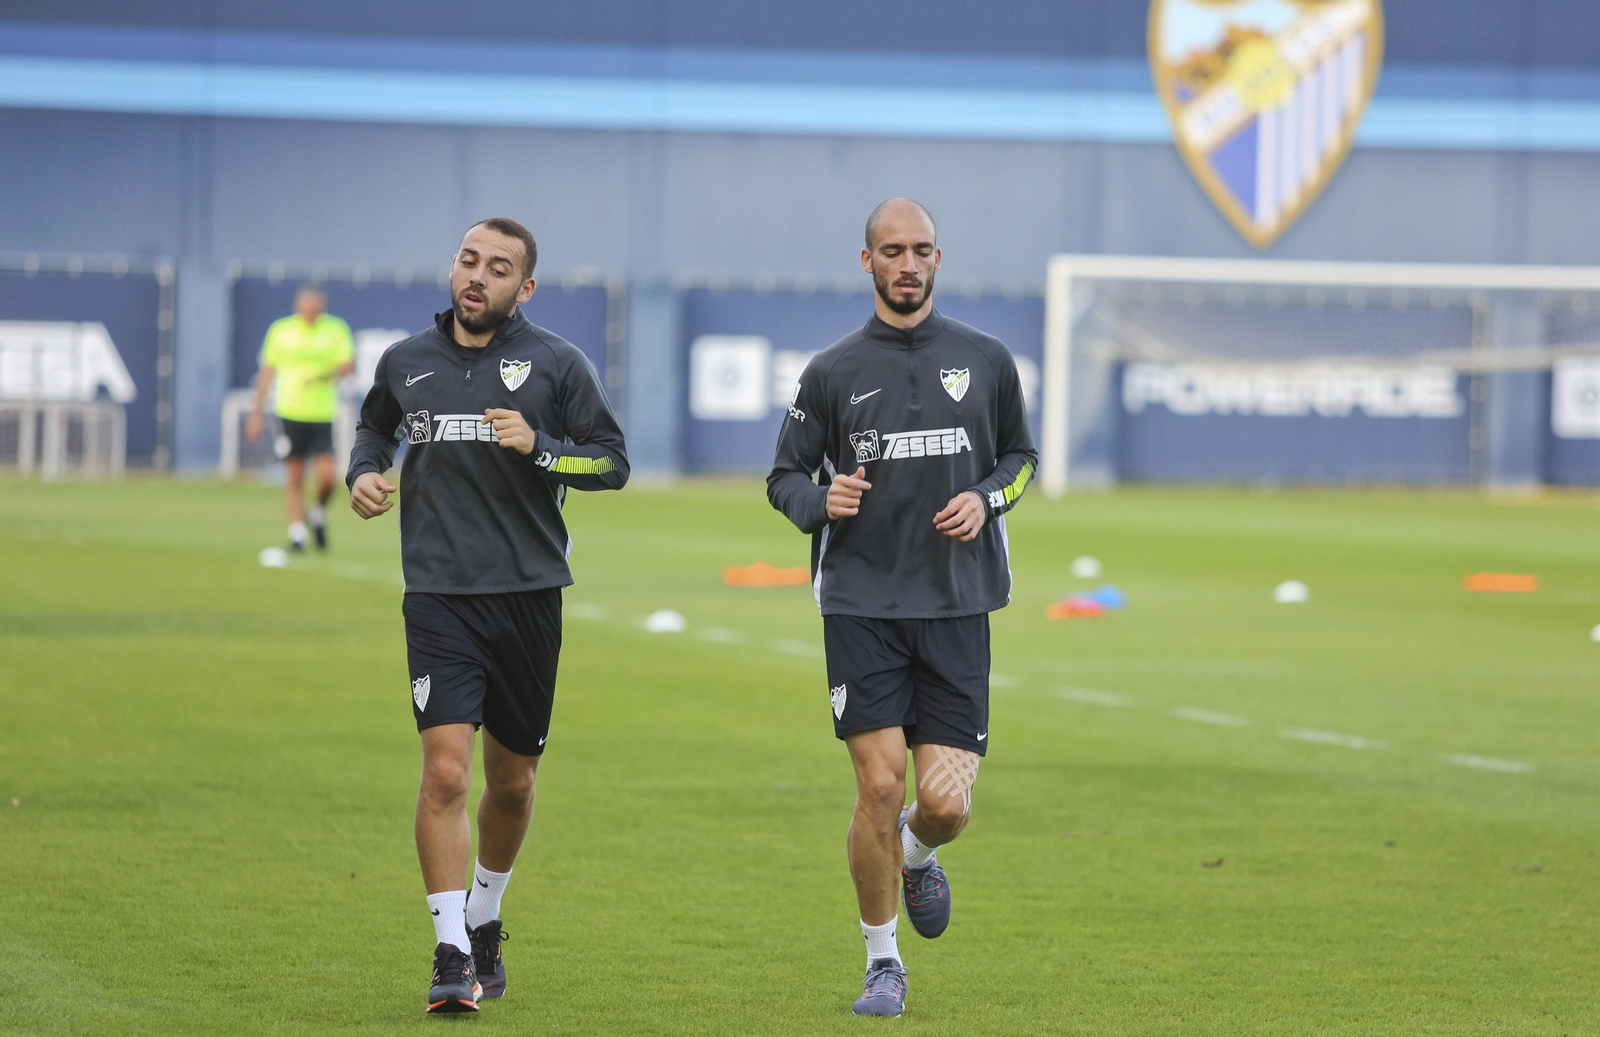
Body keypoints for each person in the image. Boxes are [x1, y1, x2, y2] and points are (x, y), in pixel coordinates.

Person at [346, 217, 628, 1014]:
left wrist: (540, 447)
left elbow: (611, 461)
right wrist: (365, 472)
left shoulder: (556, 365)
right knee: (444, 772)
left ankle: (486, 913)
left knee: (511, 781)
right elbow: (375, 427)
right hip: (438, 597)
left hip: (529, 598)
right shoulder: (406, 362)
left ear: (524, 287)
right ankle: (448, 952)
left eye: (498, 268)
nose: (478, 276)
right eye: (469, 260)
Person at [767, 198, 1037, 1017]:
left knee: (945, 804)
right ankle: (883, 961)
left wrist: (989, 498)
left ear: (938, 257)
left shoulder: (985, 360)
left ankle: (917, 854)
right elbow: (783, 476)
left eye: (921, 249)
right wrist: (823, 500)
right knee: (880, 787)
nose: (908, 263)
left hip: (958, 605)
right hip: (862, 605)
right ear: (868, 262)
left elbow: (1022, 457)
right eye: (892, 250)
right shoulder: (832, 371)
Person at [247, 284, 355, 551]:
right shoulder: (281, 331)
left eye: (315, 307)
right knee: (294, 475)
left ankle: (317, 513)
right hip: (289, 411)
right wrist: (256, 413)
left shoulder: (335, 329)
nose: (311, 312)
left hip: (321, 413)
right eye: (306, 307)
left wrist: (323, 376)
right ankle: (296, 532)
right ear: (298, 307)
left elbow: (348, 366)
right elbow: (267, 373)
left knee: (328, 477)